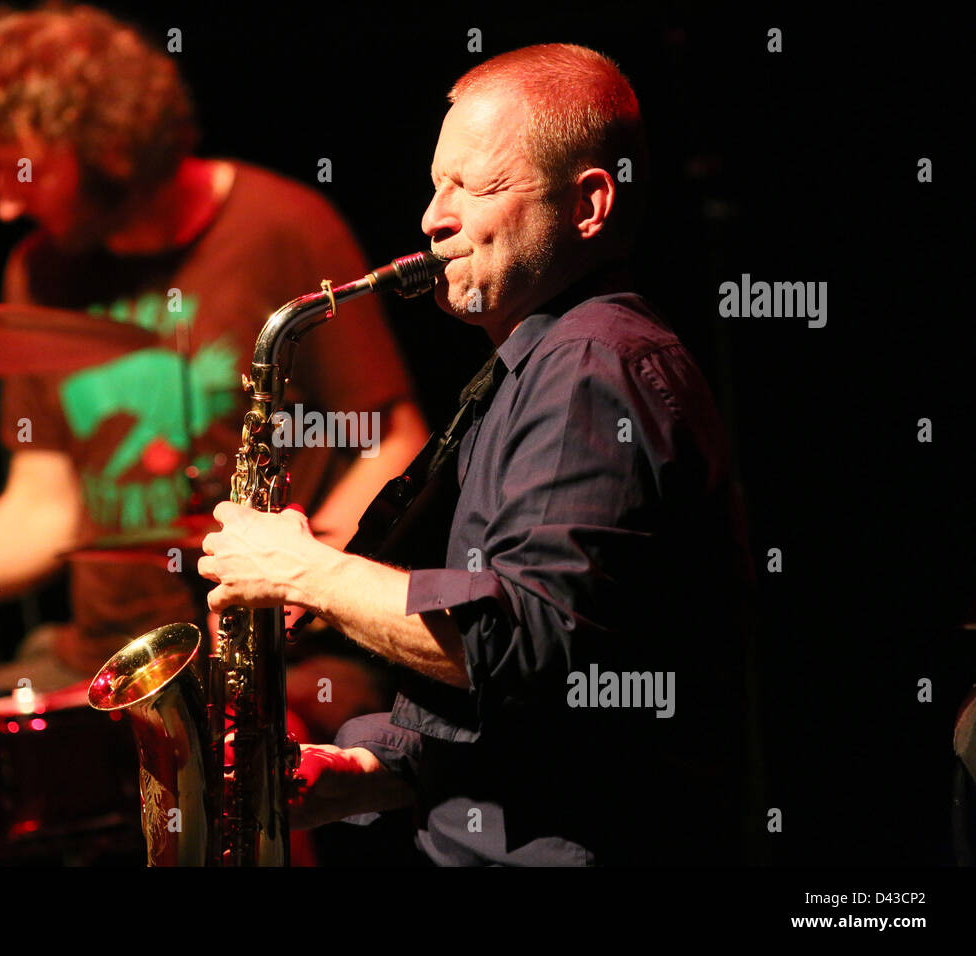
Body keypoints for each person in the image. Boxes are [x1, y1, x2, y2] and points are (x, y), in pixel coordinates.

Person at [197, 43, 756, 865]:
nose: (433, 218)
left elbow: (517, 645)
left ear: (589, 205)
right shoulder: (542, 367)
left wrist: (302, 572)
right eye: (435, 185)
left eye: (477, 186)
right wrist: (379, 768)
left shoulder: (592, 369)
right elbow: (551, 703)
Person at [0, 4, 427, 732]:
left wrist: (312, 573)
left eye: (23, 172)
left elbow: (390, 439)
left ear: (107, 148)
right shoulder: (40, 269)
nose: (5, 203)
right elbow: (45, 505)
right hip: (103, 664)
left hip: (273, 655)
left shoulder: (285, 227)